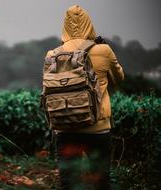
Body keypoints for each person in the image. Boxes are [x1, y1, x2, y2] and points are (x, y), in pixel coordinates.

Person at [44, 5, 125, 190]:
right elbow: (119, 78)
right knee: (101, 182)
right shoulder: (103, 50)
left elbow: (48, 89)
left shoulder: (53, 55)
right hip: (98, 128)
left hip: (65, 128)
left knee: (68, 183)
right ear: (89, 24)